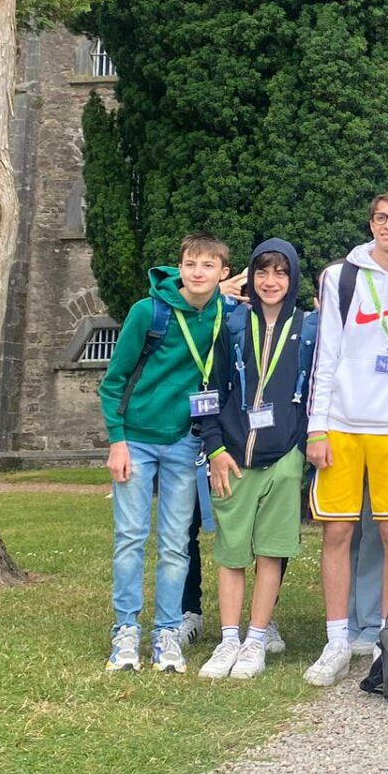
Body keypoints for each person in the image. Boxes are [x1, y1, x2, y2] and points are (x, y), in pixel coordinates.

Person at [303, 191, 388, 687]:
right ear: (371, 222)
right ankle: (337, 639)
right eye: (381, 217)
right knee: (337, 532)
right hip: (341, 422)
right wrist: (317, 427)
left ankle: (386, 637)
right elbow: (326, 355)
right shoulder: (341, 276)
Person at [98, 233, 232, 673]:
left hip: (184, 441)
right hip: (136, 439)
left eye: (208, 266)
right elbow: (114, 381)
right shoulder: (148, 311)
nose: (197, 273)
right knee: (130, 537)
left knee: (176, 543)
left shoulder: (223, 312)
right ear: (180, 267)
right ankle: (125, 630)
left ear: (223, 273)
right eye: (190, 264)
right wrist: (117, 440)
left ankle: (167, 632)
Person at [193, 240, 314, 680]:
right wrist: (214, 448)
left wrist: (300, 448)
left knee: (270, 551)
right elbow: (208, 389)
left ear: (293, 278)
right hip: (233, 456)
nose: (270, 281)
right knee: (231, 551)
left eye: (280, 272)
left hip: (284, 456)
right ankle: (229, 639)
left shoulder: (309, 328)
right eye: (262, 272)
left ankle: (256, 639)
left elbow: (319, 389)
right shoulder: (233, 325)